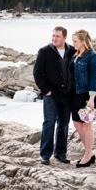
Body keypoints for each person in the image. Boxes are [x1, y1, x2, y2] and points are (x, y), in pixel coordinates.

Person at [33, 26, 76, 165]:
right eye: (53, 36)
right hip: (51, 95)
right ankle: (45, 155)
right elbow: (37, 73)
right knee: (49, 123)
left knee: (63, 124)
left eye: (57, 36)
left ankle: (60, 153)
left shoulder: (72, 51)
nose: (54, 38)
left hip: (67, 94)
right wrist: (46, 91)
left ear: (64, 37)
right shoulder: (44, 52)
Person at [69, 29, 96, 168]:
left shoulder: (93, 57)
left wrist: (92, 99)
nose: (73, 43)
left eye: (75, 41)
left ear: (82, 41)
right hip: (75, 95)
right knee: (77, 124)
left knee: (87, 126)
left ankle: (87, 156)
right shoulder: (75, 55)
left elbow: (94, 79)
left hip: (88, 95)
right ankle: (90, 152)